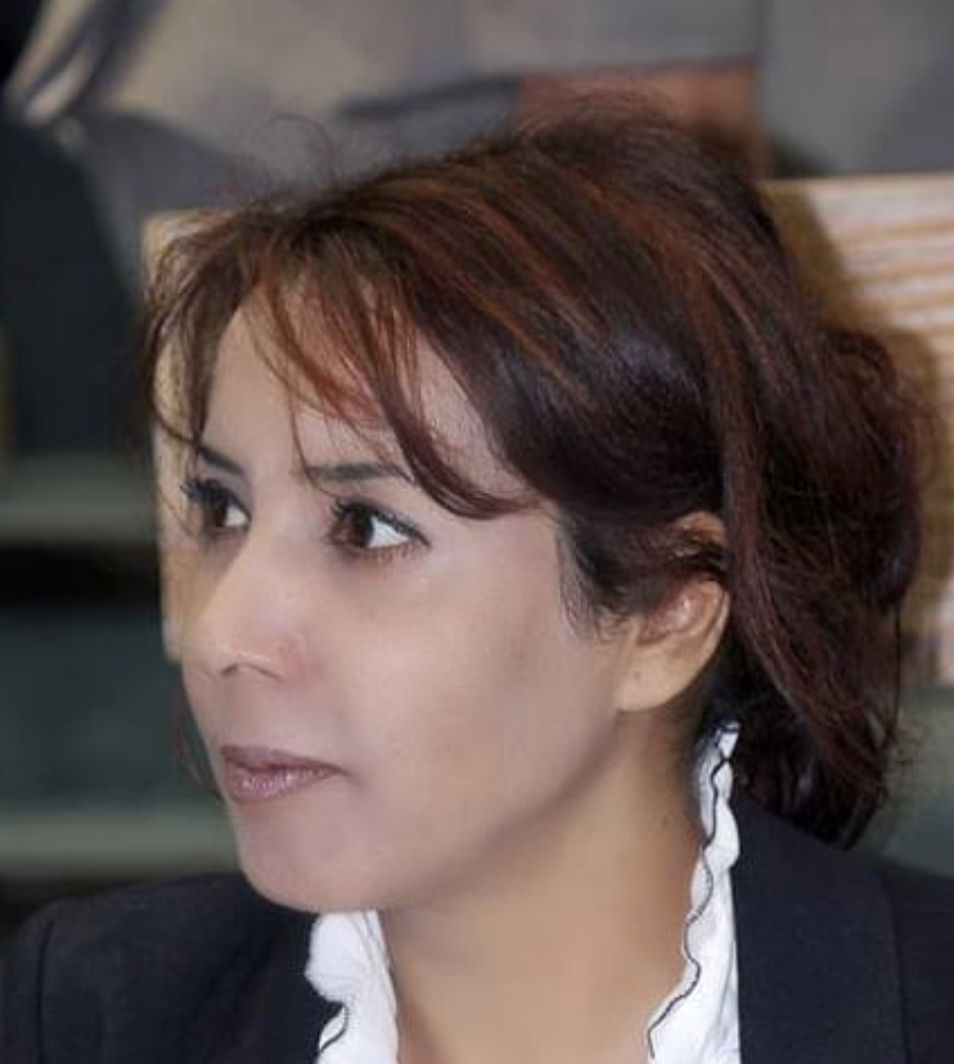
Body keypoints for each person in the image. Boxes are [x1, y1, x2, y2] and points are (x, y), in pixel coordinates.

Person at [3, 112, 953, 1064]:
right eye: (221, 509)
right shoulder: (90, 1016)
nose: (221, 632)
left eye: (366, 528)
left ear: (666, 613)